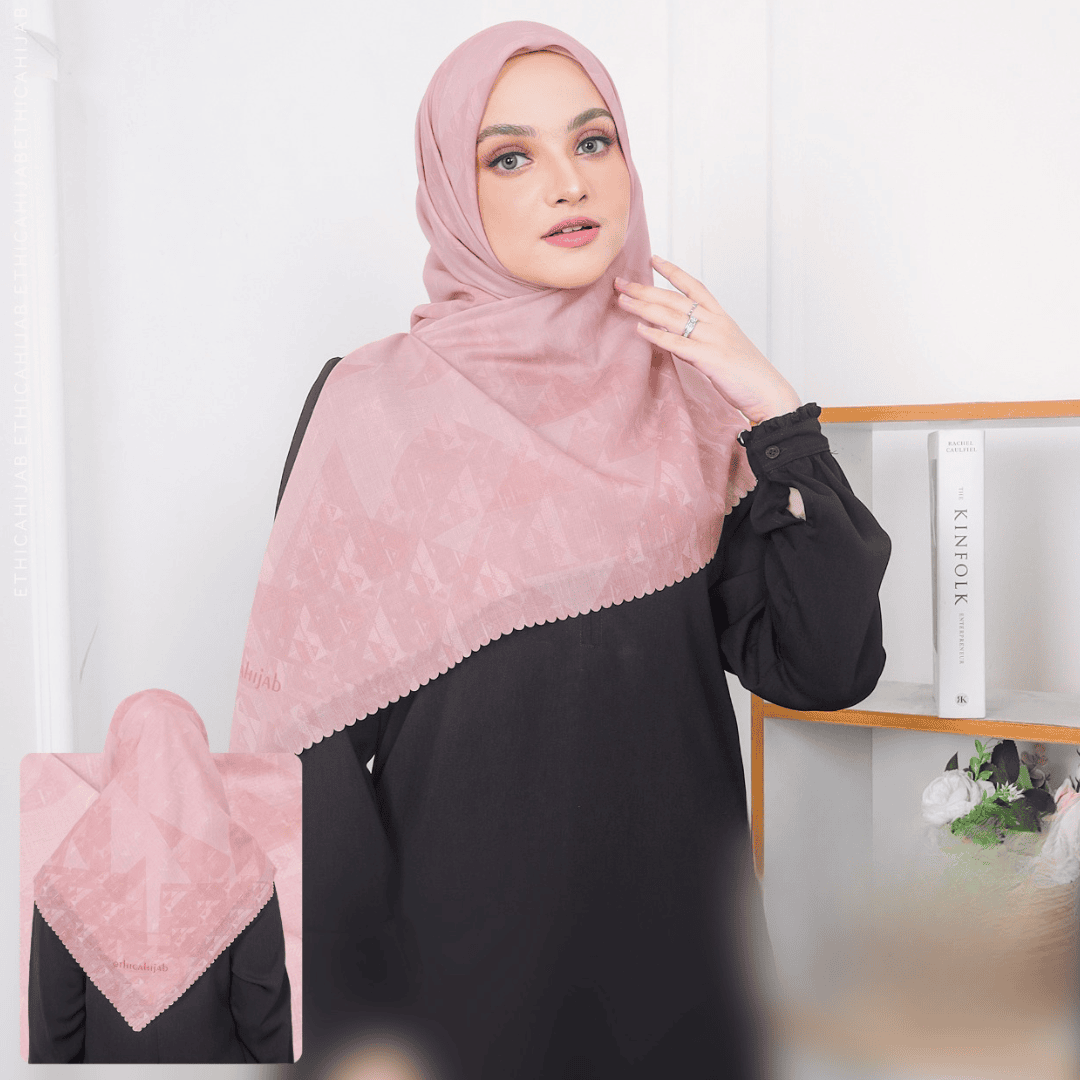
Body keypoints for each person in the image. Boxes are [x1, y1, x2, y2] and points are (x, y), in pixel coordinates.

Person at [230, 21, 890, 1079]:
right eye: (510, 157)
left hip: (682, 974)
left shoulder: (689, 408)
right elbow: (306, 748)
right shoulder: (368, 407)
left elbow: (823, 667)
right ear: (453, 190)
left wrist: (773, 410)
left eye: (592, 142)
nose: (567, 183)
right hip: (460, 991)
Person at [28, 690, 293, 1064]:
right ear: (198, 762)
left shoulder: (65, 879)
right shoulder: (245, 872)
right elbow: (265, 1029)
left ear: (119, 756)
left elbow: (53, 1040)